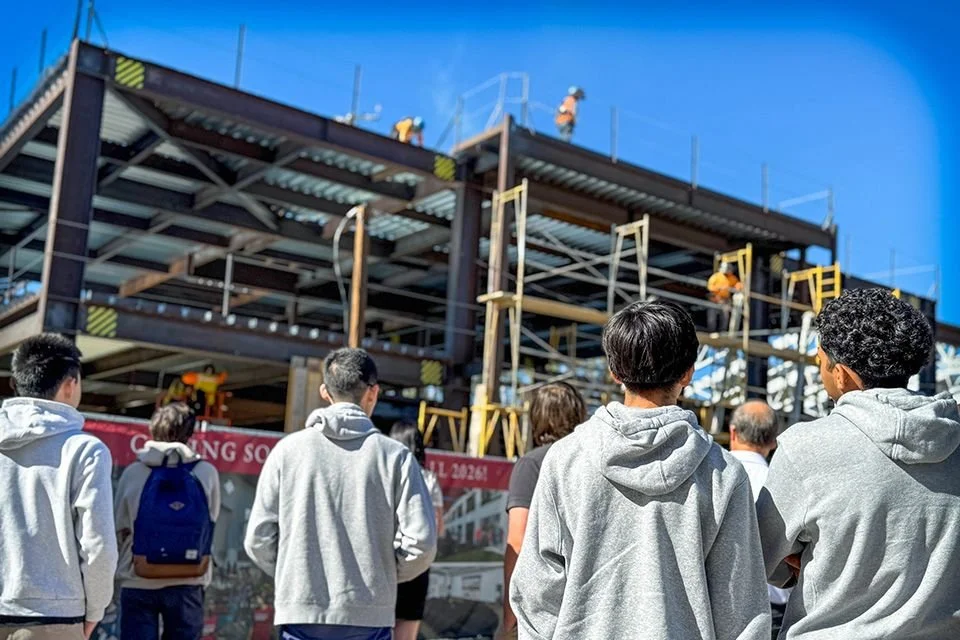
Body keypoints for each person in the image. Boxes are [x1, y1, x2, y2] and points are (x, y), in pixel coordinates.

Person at [510, 300, 770, 639]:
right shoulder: (722, 473)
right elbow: (741, 611)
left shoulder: (565, 460)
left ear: (614, 372)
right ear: (688, 373)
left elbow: (536, 592)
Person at [757, 288, 960, 638]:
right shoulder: (954, 443)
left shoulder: (806, 448)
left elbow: (760, 557)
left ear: (842, 375)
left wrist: (800, 561)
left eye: (820, 360)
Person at [244, 348, 437, 640]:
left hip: (300, 612)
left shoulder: (286, 452)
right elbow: (422, 543)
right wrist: (382, 574)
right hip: (369, 615)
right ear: (373, 393)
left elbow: (258, 539)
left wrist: (295, 573)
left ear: (325, 391)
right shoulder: (395, 457)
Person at [0, 334, 118, 640]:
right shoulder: (85, 450)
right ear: (70, 384)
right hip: (54, 617)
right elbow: (98, 546)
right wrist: (95, 610)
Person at [114, 403, 221, 640]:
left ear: (152, 431)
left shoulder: (134, 472)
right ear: (190, 435)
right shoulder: (205, 472)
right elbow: (211, 520)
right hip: (190, 579)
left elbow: (119, 525)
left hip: (138, 578)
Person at [500, 382, 586, 639]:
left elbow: (518, 540)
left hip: (543, 609)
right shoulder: (590, 461)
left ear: (536, 417)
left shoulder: (532, 465)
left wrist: (510, 609)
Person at [728, 401, 790, 639]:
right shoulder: (781, 484)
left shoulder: (712, 476)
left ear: (733, 432)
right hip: (772, 614)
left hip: (717, 608)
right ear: (773, 441)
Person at [388, 422, 444, 640]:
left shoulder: (385, 474)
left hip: (385, 561)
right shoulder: (428, 479)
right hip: (417, 562)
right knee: (407, 628)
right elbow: (438, 526)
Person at [707, 262, 743, 334]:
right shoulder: (716, 276)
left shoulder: (732, 278)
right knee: (712, 317)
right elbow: (710, 286)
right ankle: (711, 331)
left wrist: (739, 286)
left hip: (725, 300)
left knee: (725, 317)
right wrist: (719, 288)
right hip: (715, 299)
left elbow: (737, 285)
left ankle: (722, 331)